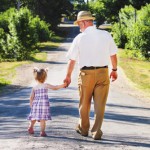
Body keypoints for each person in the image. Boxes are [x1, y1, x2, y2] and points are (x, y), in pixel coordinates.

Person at [64, 11, 118, 140]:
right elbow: (113, 54)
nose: (79, 26)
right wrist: (114, 70)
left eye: (79, 24)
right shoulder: (105, 35)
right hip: (103, 73)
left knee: (84, 103)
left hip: (86, 74)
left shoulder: (79, 38)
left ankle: (84, 129)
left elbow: (72, 60)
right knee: (100, 105)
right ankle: (96, 132)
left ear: (83, 22)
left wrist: (68, 76)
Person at [27, 67, 66, 137]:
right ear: (45, 77)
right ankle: (42, 132)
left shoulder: (34, 87)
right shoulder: (45, 85)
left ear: (35, 77)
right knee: (42, 119)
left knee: (34, 117)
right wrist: (63, 85)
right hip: (44, 105)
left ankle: (31, 127)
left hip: (35, 105)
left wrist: (31, 105)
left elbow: (31, 97)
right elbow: (55, 87)